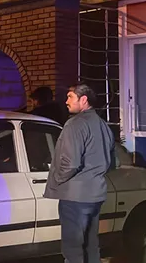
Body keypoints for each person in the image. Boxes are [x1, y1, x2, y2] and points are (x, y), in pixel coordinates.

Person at [44, 84, 115, 263]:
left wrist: (57, 179)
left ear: (83, 100)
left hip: (75, 197)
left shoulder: (75, 124)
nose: (66, 101)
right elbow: (113, 163)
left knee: (73, 249)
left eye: (70, 97)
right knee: (91, 246)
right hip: (95, 195)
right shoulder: (103, 126)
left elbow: (70, 163)